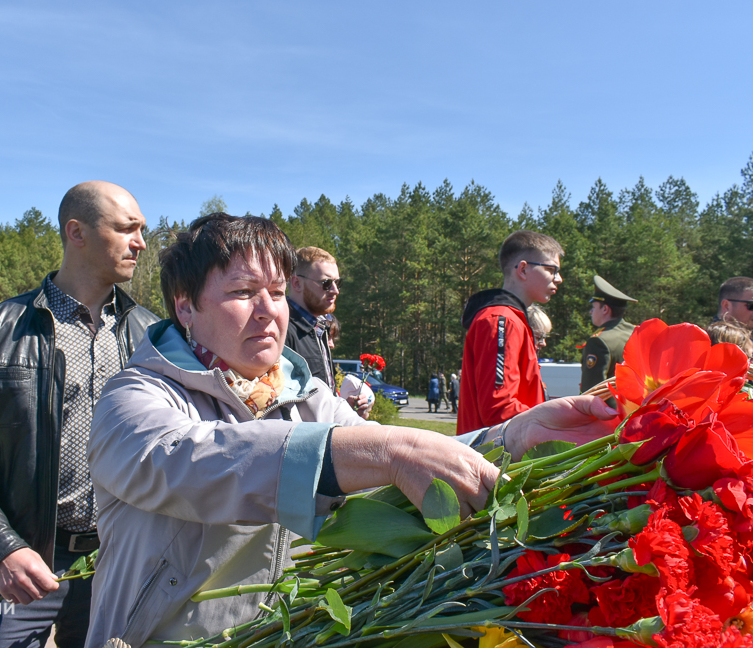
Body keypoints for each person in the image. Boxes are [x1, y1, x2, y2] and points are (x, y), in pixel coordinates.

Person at [83, 213, 618, 645]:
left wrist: (519, 435)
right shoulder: (135, 397)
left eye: (275, 291)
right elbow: (192, 462)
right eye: (244, 292)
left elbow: (422, 456)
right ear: (185, 307)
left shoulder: (304, 395)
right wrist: (379, 446)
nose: (268, 312)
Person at [0, 181, 159, 648]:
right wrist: (0, 550)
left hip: (120, 562)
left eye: (142, 230)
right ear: (77, 232)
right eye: (126, 229)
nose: (140, 242)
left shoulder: (153, 335)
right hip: (18, 563)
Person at [457, 230, 563, 435]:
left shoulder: (510, 319)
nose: (558, 279)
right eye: (551, 269)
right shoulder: (501, 321)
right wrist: (557, 419)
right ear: (523, 269)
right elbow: (498, 410)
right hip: (498, 459)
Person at [286, 247, 372, 419]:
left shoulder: (318, 328)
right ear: (296, 283)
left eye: (338, 283)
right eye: (326, 283)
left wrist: (343, 408)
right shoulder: (279, 329)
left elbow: (320, 398)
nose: (335, 290)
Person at [579, 276, 638, 395]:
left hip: (611, 412)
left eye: (593, 307)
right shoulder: (637, 333)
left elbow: (592, 392)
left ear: (605, 309)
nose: (591, 312)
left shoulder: (598, 341)